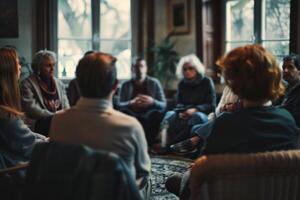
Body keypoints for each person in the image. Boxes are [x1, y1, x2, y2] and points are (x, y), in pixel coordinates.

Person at [165, 44, 299, 199]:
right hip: (273, 193)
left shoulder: (225, 125)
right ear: (274, 79)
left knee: (173, 181)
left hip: (233, 193)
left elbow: (202, 174)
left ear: (234, 86)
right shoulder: (287, 120)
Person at [49, 52, 151, 199]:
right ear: (116, 85)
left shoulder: (58, 121)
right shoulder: (130, 127)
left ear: (77, 83)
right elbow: (143, 172)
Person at [0, 47, 46, 170]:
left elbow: (25, 137)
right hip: (15, 173)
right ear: (8, 70)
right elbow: (30, 148)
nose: (20, 67)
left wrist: (46, 139)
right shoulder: (5, 115)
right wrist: (54, 142)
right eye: (17, 63)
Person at [160, 54, 216, 147]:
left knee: (196, 117)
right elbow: (179, 103)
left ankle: (175, 145)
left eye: (190, 68)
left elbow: (211, 105)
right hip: (185, 112)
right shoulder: (182, 83)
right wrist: (181, 112)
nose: (187, 71)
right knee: (169, 115)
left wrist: (195, 109)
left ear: (196, 68)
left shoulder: (206, 81)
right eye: (184, 69)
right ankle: (164, 143)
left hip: (202, 112)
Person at [118, 57, 166, 145]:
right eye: (136, 66)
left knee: (156, 114)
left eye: (141, 66)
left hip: (149, 114)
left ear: (146, 68)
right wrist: (131, 103)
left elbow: (163, 105)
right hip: (132, 112)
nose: (139, 69)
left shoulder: (154, 83)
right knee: (124, 112)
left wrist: (152, 101)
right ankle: (130, 144)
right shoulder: (125, 85)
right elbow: (119, 105)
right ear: (132, 68)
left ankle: (149, 145)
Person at [20, 50, 69, 135]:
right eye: (48, 65)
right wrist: (55, 116)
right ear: (38, 67)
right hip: (40, 123)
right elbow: (32, 109)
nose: (52, 69)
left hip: (60, 122)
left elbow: (66, 106)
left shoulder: (59, 83)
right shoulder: (27, 84)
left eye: (53, 65)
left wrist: (65, 116)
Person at [279, 54, 300, 127]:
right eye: (283, 67)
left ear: (299, 71)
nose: (285, 70)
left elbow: (296, 121)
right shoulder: (286, 88)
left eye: (290, 67)